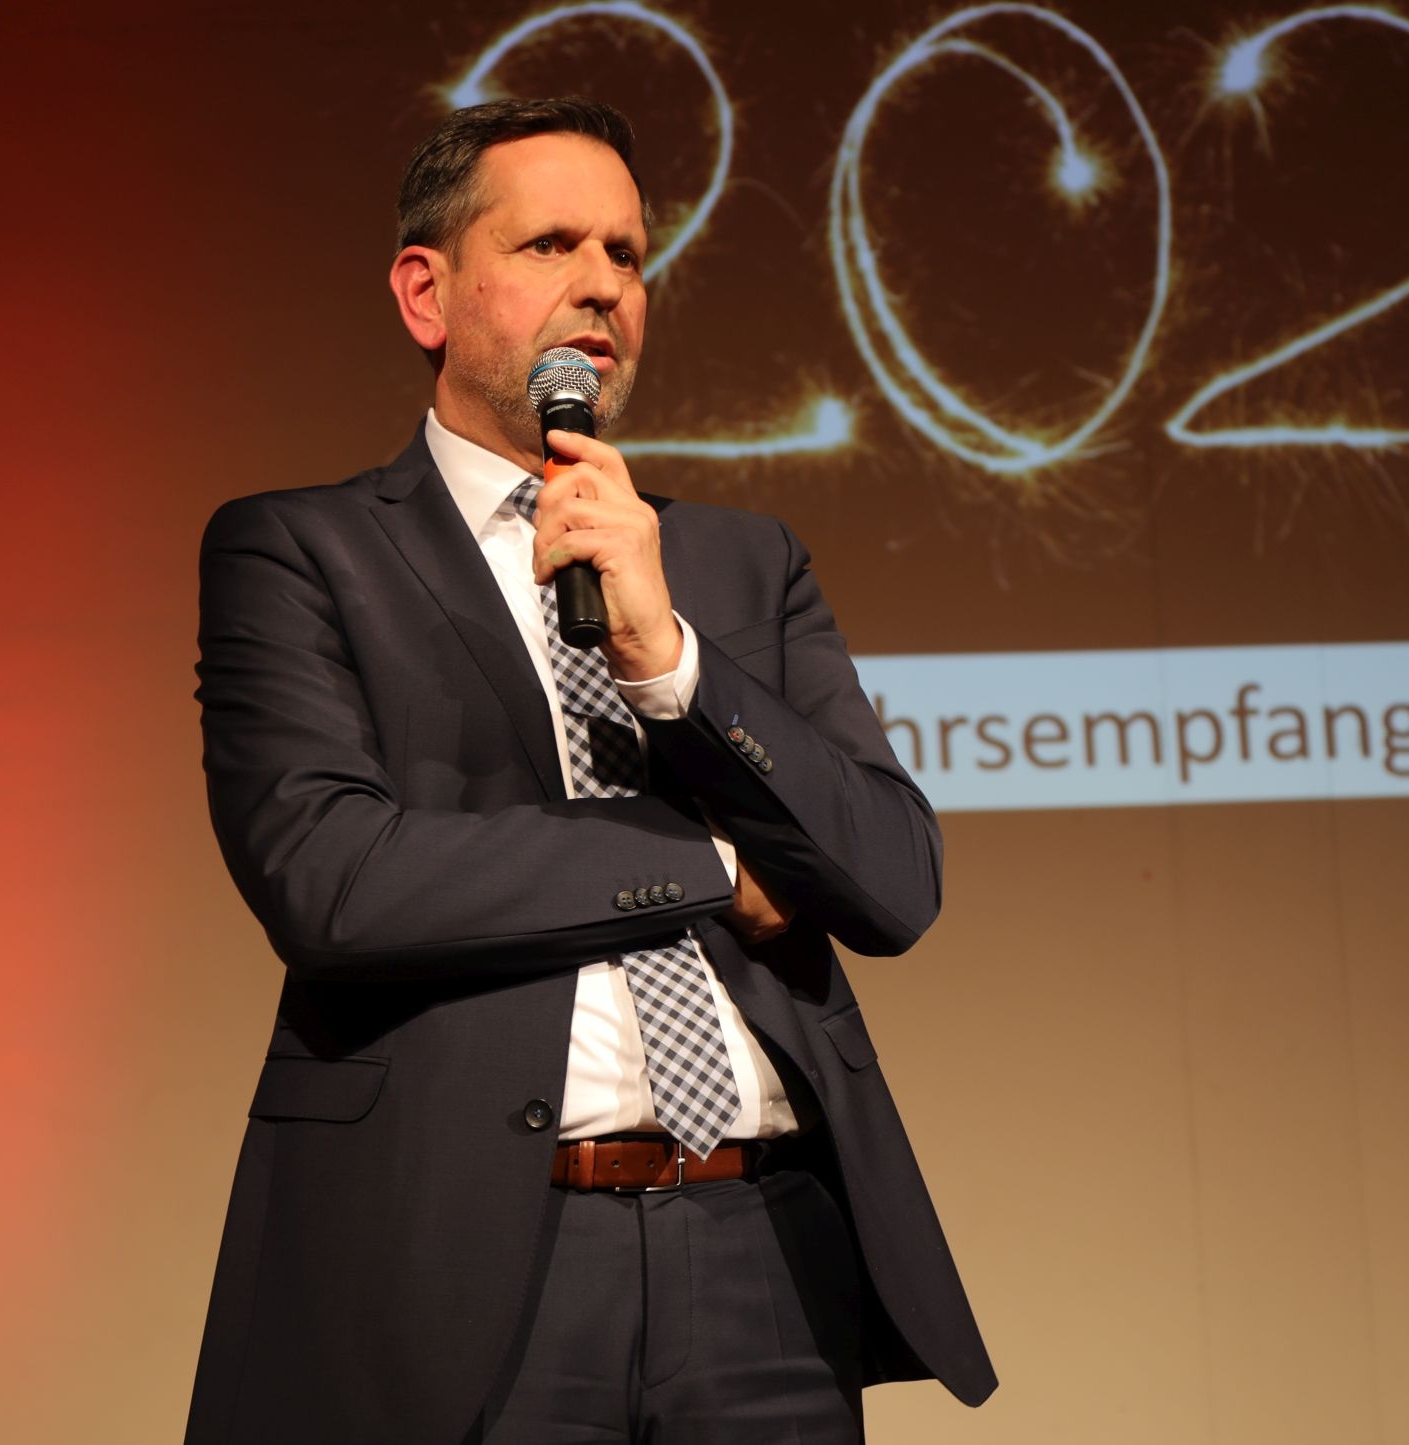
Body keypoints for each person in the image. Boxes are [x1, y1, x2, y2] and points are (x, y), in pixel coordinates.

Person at [184, 96, 995, 1445]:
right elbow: (337, 880)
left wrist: (669, 658)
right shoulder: (302, 552)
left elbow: (894, 878)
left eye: (626, 253)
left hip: (764, 1249)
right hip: (474, 1262)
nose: (603, 285)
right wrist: (716, 868)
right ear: (426, 293)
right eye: (551, 245)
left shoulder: (740, 563)